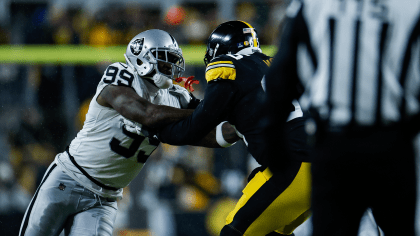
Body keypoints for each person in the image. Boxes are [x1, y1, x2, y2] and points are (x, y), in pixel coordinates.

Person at [19, 29, 234, 236]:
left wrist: (242, 127)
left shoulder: (175, 97)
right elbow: (146, 114)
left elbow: (212, 131)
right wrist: (204, 113)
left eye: (173, 60)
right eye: (164, 58)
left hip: (104, 198)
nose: (170, 66)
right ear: (141, 57)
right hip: (67, 179)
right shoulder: (121, 74)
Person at [263, 0, 419, 235]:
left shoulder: (314, 5)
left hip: (334, 145)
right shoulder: (411, 7)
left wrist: (274, 146)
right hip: (391, 143)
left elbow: (283, 74)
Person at [156, 20, 312, 236]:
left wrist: (157, 130)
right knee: (269, 231)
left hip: (293, 166)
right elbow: (228, 126)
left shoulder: (229, 67)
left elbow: (196, 126)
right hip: (320, 163)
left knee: (233, 232)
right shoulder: (272, 65)